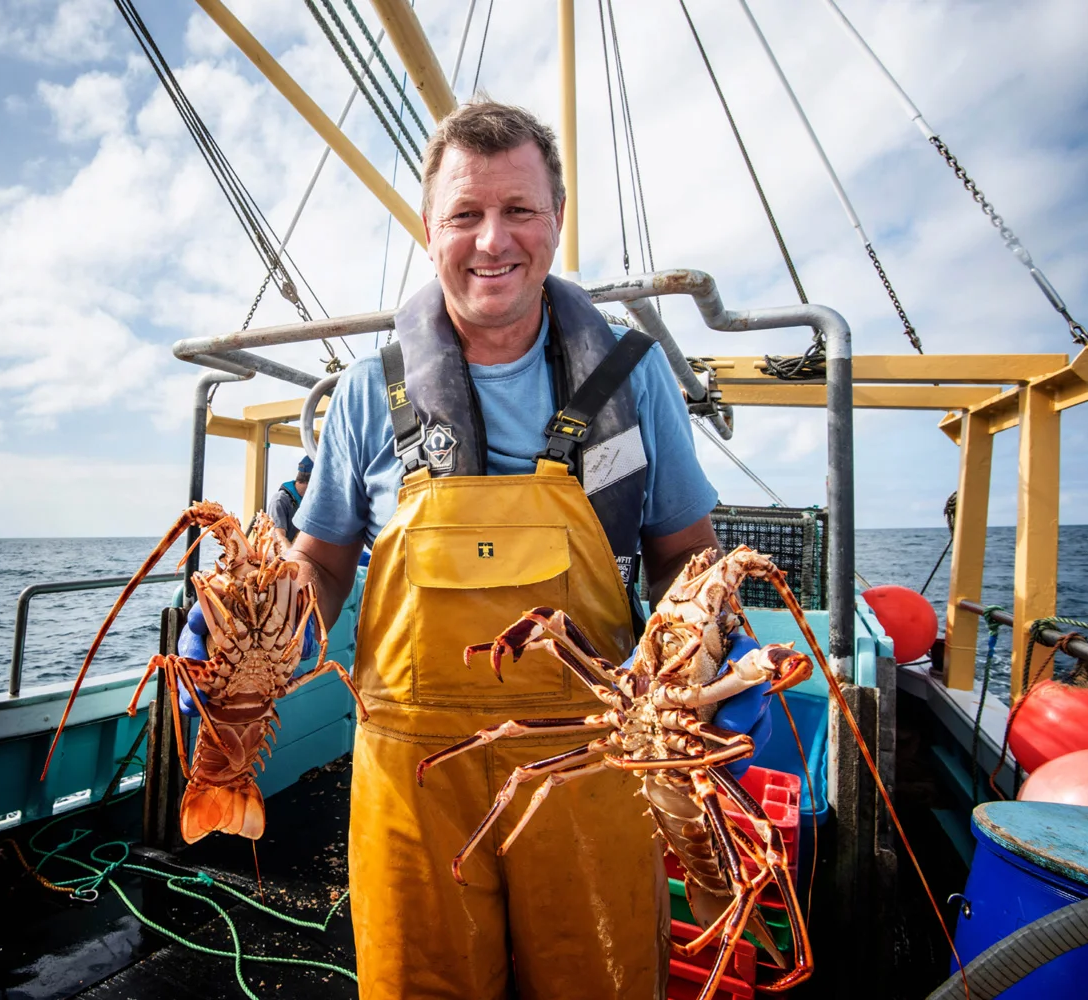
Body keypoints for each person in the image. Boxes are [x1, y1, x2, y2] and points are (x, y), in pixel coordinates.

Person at [187, 99, 773, 999]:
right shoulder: (363, 393)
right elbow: (325, 561)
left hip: (593, 759)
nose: (491, 240)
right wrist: (263, 634)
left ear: (556, 222)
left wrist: (715, 647)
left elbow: (682, 555)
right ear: (430, 232)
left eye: (518, 211)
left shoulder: (632, 375)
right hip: (410, 780)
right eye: (464, 214)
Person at [266, 456, 312, 542]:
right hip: (283, 554)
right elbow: (279, 538)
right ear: (314, 481)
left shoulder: (310, 503)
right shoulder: (279, 501)